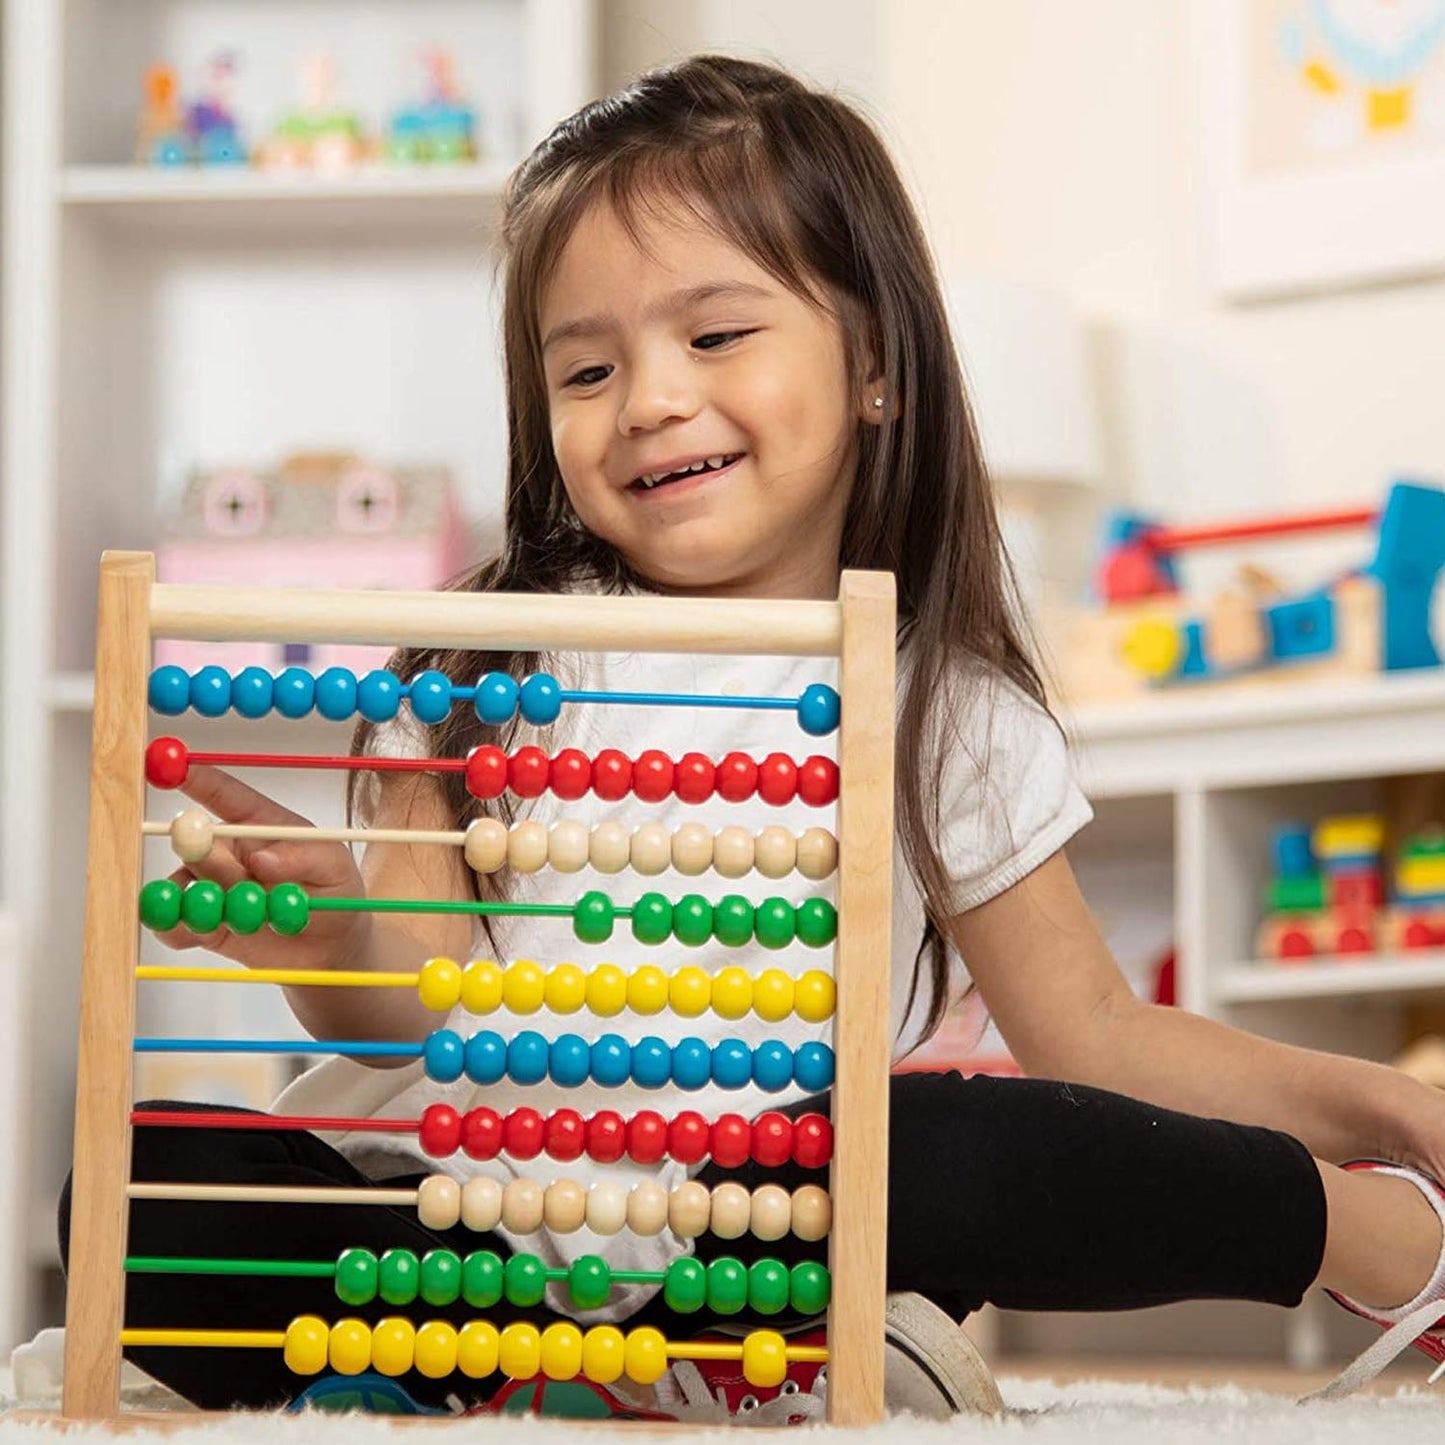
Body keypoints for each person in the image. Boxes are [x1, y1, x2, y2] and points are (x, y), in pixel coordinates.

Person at [63, 55, 1445, 1419]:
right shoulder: (478, 665)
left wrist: (1384, 1109)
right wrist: (332, 942)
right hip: (449, 1242)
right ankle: (600, 1378)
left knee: (948, 1147)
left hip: (759, 1233)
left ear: (874, 367)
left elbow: (1095, 1038)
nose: (650, 399)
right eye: (588, 367)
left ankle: (1389, 1242)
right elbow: (404, 1006)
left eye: (715, 336)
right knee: (136, 1186)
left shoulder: (941, 710)